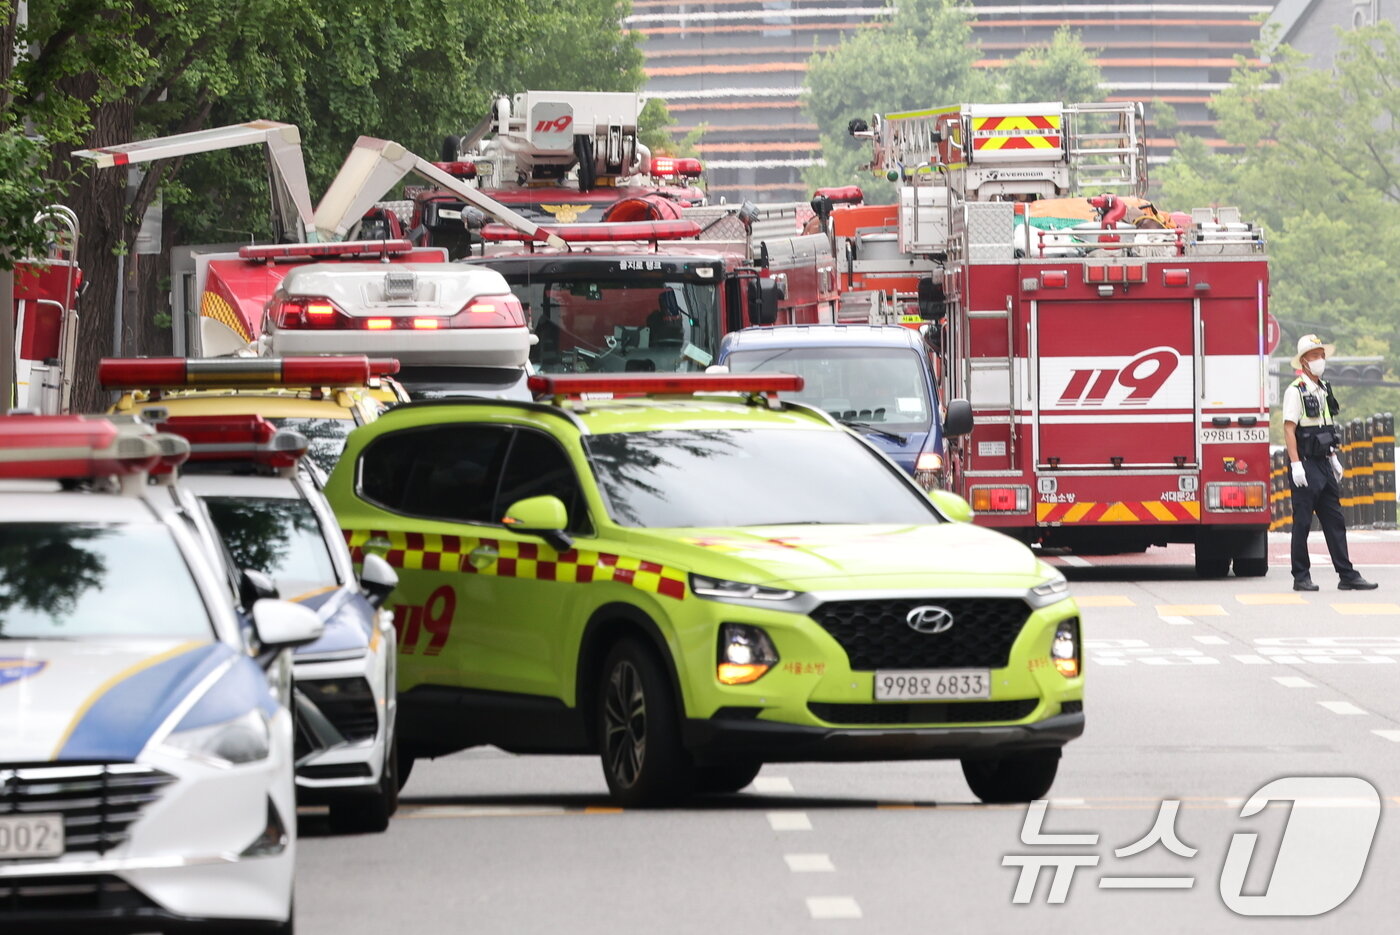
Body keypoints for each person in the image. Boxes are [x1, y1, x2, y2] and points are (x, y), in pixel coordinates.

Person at [1282, 334, 1377, 591]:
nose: (1319, 360)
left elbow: (1326, 428)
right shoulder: (1295, 391)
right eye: (1314, 356)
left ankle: (1347, 574)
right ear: (1303, 362)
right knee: (1302, 523)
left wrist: (1334, 457)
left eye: (1321, 355)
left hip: (1323, 462)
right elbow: (1290, 429)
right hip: (1305, 463)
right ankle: (1301, 576)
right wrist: (1295, 464)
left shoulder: (1324, 388)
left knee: (1335, 521)